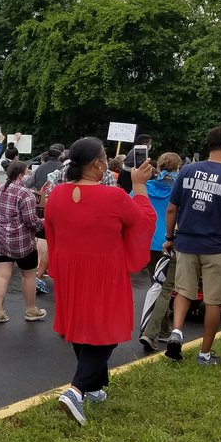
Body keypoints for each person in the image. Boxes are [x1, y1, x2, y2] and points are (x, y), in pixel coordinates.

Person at [46, 138, 155, 425]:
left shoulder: (57, 194)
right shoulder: (114, 196)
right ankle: (76, 389)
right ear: (97, 163)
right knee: (107, 329)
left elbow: (51, 230)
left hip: (70, 266)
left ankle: (93, 387)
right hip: (103, 268)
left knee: (80, 322)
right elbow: (142, 220)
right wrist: (140, 185)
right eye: (105, 157)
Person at [162, 126, 221, 366]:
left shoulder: (188, 170)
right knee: (214, 300)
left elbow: (172, 208)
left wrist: (170, 236)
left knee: (183, 290)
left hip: (186, 242)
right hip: (217, 245)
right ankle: (204, 354)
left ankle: (177, 332)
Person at [0, 161, 44, 323]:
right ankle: (31, 310)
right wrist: (43, 223)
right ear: (20, 175)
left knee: (1, 275)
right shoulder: (26, 194)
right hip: (22, 241)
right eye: (27, 172)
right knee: (29, 275)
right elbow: (30, 220)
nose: (29, 175)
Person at [138, 152, 181, 352]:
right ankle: (150, 332)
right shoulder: (178, 190)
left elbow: (132, 206)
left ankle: (163, 330)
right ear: (177, 168)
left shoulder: (145, 187)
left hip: (146, 242)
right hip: (169, 242)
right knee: (164, 288)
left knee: (156, 285)